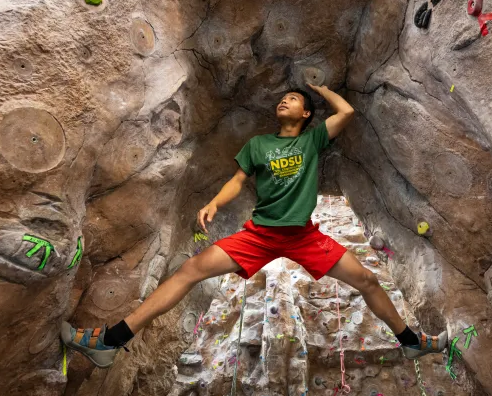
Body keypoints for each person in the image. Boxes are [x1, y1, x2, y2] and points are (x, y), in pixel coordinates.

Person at [61, 84, 448, 368]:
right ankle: (111, 341)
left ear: (307, 115)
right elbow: (237, 181)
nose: (285, 100)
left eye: (294, 99)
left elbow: (345, 113)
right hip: (259, 236)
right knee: (190, 271)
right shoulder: (259, 145)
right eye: (283, 97)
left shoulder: (312, 141)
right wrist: (214, 201)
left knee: (367, 281)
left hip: (303, 237)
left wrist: (320, 88)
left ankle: (411, 341)